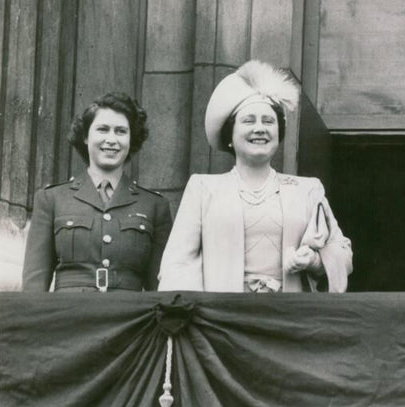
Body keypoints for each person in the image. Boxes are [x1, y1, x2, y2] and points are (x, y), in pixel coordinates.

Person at [157, 60, 352, 293]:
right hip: (223, 320)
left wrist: (314, 261)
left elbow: (343, 253)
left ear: (278, 134)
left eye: (268, 121)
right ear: (230, 134)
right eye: (249, 121)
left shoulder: (308, 190)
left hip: (289, 320)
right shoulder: (203, 188)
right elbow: (178, 263)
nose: (260, 128)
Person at [22, 93, 173, 292]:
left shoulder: (154, 206)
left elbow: (159, 288)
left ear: (131, 139)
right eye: (102, 129)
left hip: (130, 320)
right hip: (69, 318)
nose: (111, 140)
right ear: (85, 137)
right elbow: (34, 284)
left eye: (121, 131)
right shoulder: (52, 199)